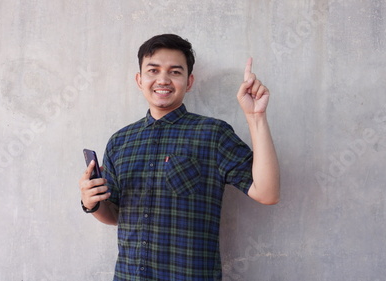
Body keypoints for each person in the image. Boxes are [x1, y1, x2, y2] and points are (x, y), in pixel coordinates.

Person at [79, 34, 280, 280]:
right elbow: (115, 216)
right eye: (153, 70)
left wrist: (256, 117)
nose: (162, 79)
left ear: (189, 81)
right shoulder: (119, 141)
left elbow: (267, 192)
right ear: (140, 80)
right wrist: (92, 203)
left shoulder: (212, 133)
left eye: (175, 72)